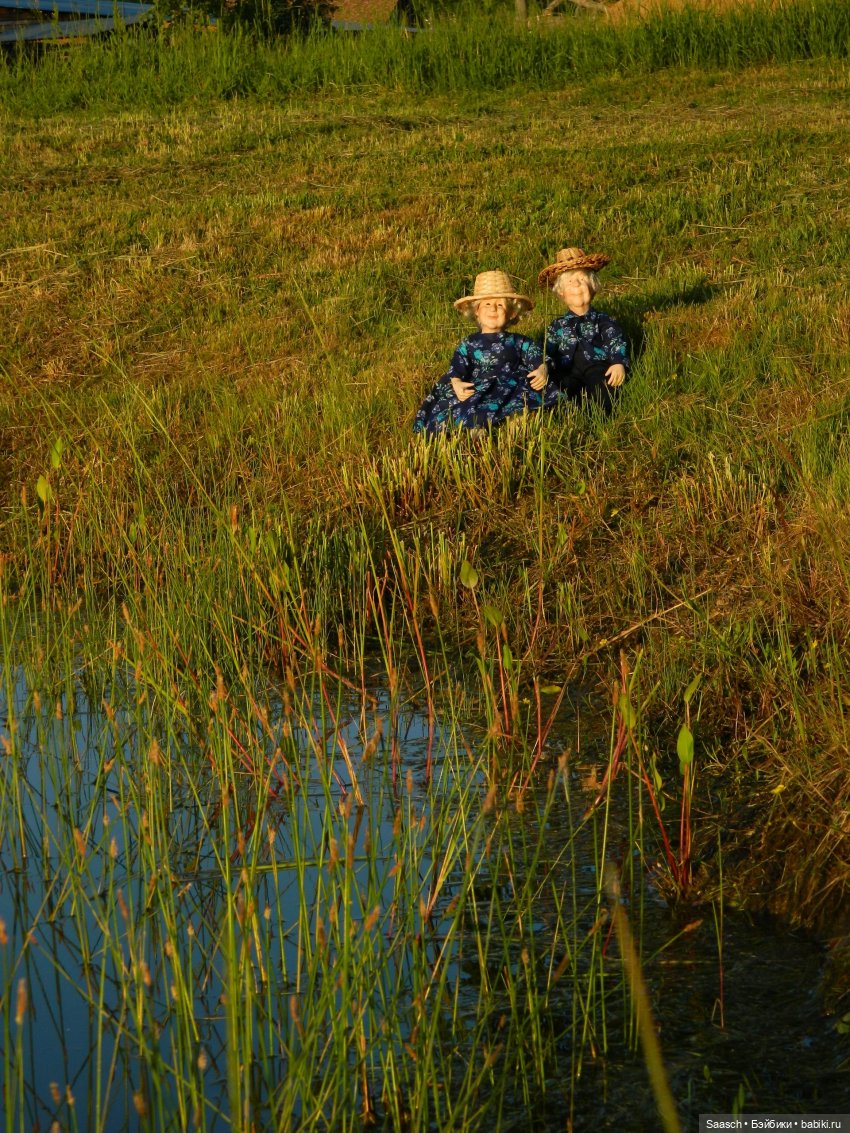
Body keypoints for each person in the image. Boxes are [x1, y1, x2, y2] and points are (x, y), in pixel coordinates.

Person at [413, 270, 559, 435]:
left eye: (500, 305)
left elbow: (536, 355)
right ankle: (476, 427)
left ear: (511, 312)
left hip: (511, 384)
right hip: (479, 385)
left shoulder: (518, 341)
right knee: (470, 404)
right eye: (487, 304)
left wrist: (542, 369)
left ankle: (516, 421)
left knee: (521, 400)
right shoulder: (469, 343)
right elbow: (458, 365)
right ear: (476, 310)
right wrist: (457, 382)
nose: (493, 309)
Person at [530, 247, 629, 415]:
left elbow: (615, 341)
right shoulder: (557, 326)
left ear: (593, 286)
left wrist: (618, 362)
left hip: (597, 367)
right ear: (561, 292)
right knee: (558, 389)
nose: (576, 284)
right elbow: (547, 348)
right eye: (569, 282)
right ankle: (568, 412)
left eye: (582, 279)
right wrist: (543, 366)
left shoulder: (603, 320)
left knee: (603, 387)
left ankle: (600, 414)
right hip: (567, 370)